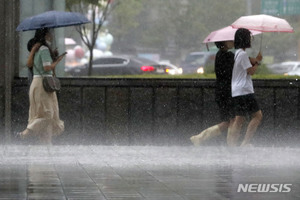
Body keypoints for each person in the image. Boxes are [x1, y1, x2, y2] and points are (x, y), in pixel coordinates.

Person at [17, 28, 66, 145]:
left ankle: (46, 142)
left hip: (39, 83)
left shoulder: (39, 49)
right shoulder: (43, 49)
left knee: (45, 113)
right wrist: (58, 60)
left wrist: (52, 56)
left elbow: (31, 64)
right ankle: (27, 132)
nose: (52, 34)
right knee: (48, 114)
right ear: (45, 35)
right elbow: (47, 68)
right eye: (49, 32)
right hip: (43, 85)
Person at [190, 40, 235, 146]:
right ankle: (201, 137)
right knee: (232, 120)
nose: (232, 42)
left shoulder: (219, 54)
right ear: (225, 43)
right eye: (229, 41)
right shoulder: (228, 56)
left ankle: (200, 137)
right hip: (227, 91)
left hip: (221, 90)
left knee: (229, 121)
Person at [227, 28, 263, 147]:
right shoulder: (242, 54)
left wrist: (256, 60)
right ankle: (245, 143)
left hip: (237, 91)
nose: (251, 40)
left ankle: (232, 145)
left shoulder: (238, 53)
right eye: (249, 37)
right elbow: (251, 71)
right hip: (244, 90)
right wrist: (257, 63)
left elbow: (250, 61)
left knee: (239, 120)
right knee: (257, 116)